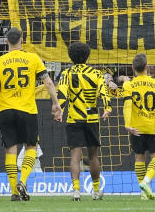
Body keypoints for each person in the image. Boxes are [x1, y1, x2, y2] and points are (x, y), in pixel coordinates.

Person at [0, 27, 63, 201]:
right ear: (22, 41)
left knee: (10, 150)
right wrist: (56, 104)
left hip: (6, 110)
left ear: (6, 41)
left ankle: (14, 192)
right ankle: (22, 181)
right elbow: (48, 82)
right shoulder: (33, 58)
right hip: (28, 110)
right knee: (31, 147)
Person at [56, 41, 111, 201]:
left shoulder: (67, 73)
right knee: (93, 156)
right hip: (92, 119)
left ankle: (76, 191)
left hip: (74, 118)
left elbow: (63, 95)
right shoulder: (96, 73)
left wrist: (59, 111)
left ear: (70, 56)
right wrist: (107, 108)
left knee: (75, 155)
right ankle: (95, 191)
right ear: (87, 55)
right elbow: (104, 92)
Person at [107, 53, 155, 200]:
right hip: (153, 126)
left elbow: (127, 105)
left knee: (139, 158)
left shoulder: (128, 85)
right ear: (147, 67)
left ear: (133, 68)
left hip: (136, 127)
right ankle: (146, 182)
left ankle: (142, 192)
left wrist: (127, 124)